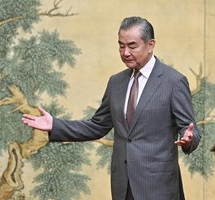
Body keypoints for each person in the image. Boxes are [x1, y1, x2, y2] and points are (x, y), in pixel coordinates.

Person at [22, 16, 201, 200]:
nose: (125, 52)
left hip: (158, 186)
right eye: (121, 46)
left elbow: (191, 129)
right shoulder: (116, 82)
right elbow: (97, 126)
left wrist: (188, 139)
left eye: (132, 46)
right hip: (122, 185)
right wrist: (55, 125)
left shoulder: (173, 81)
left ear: (151, 45)